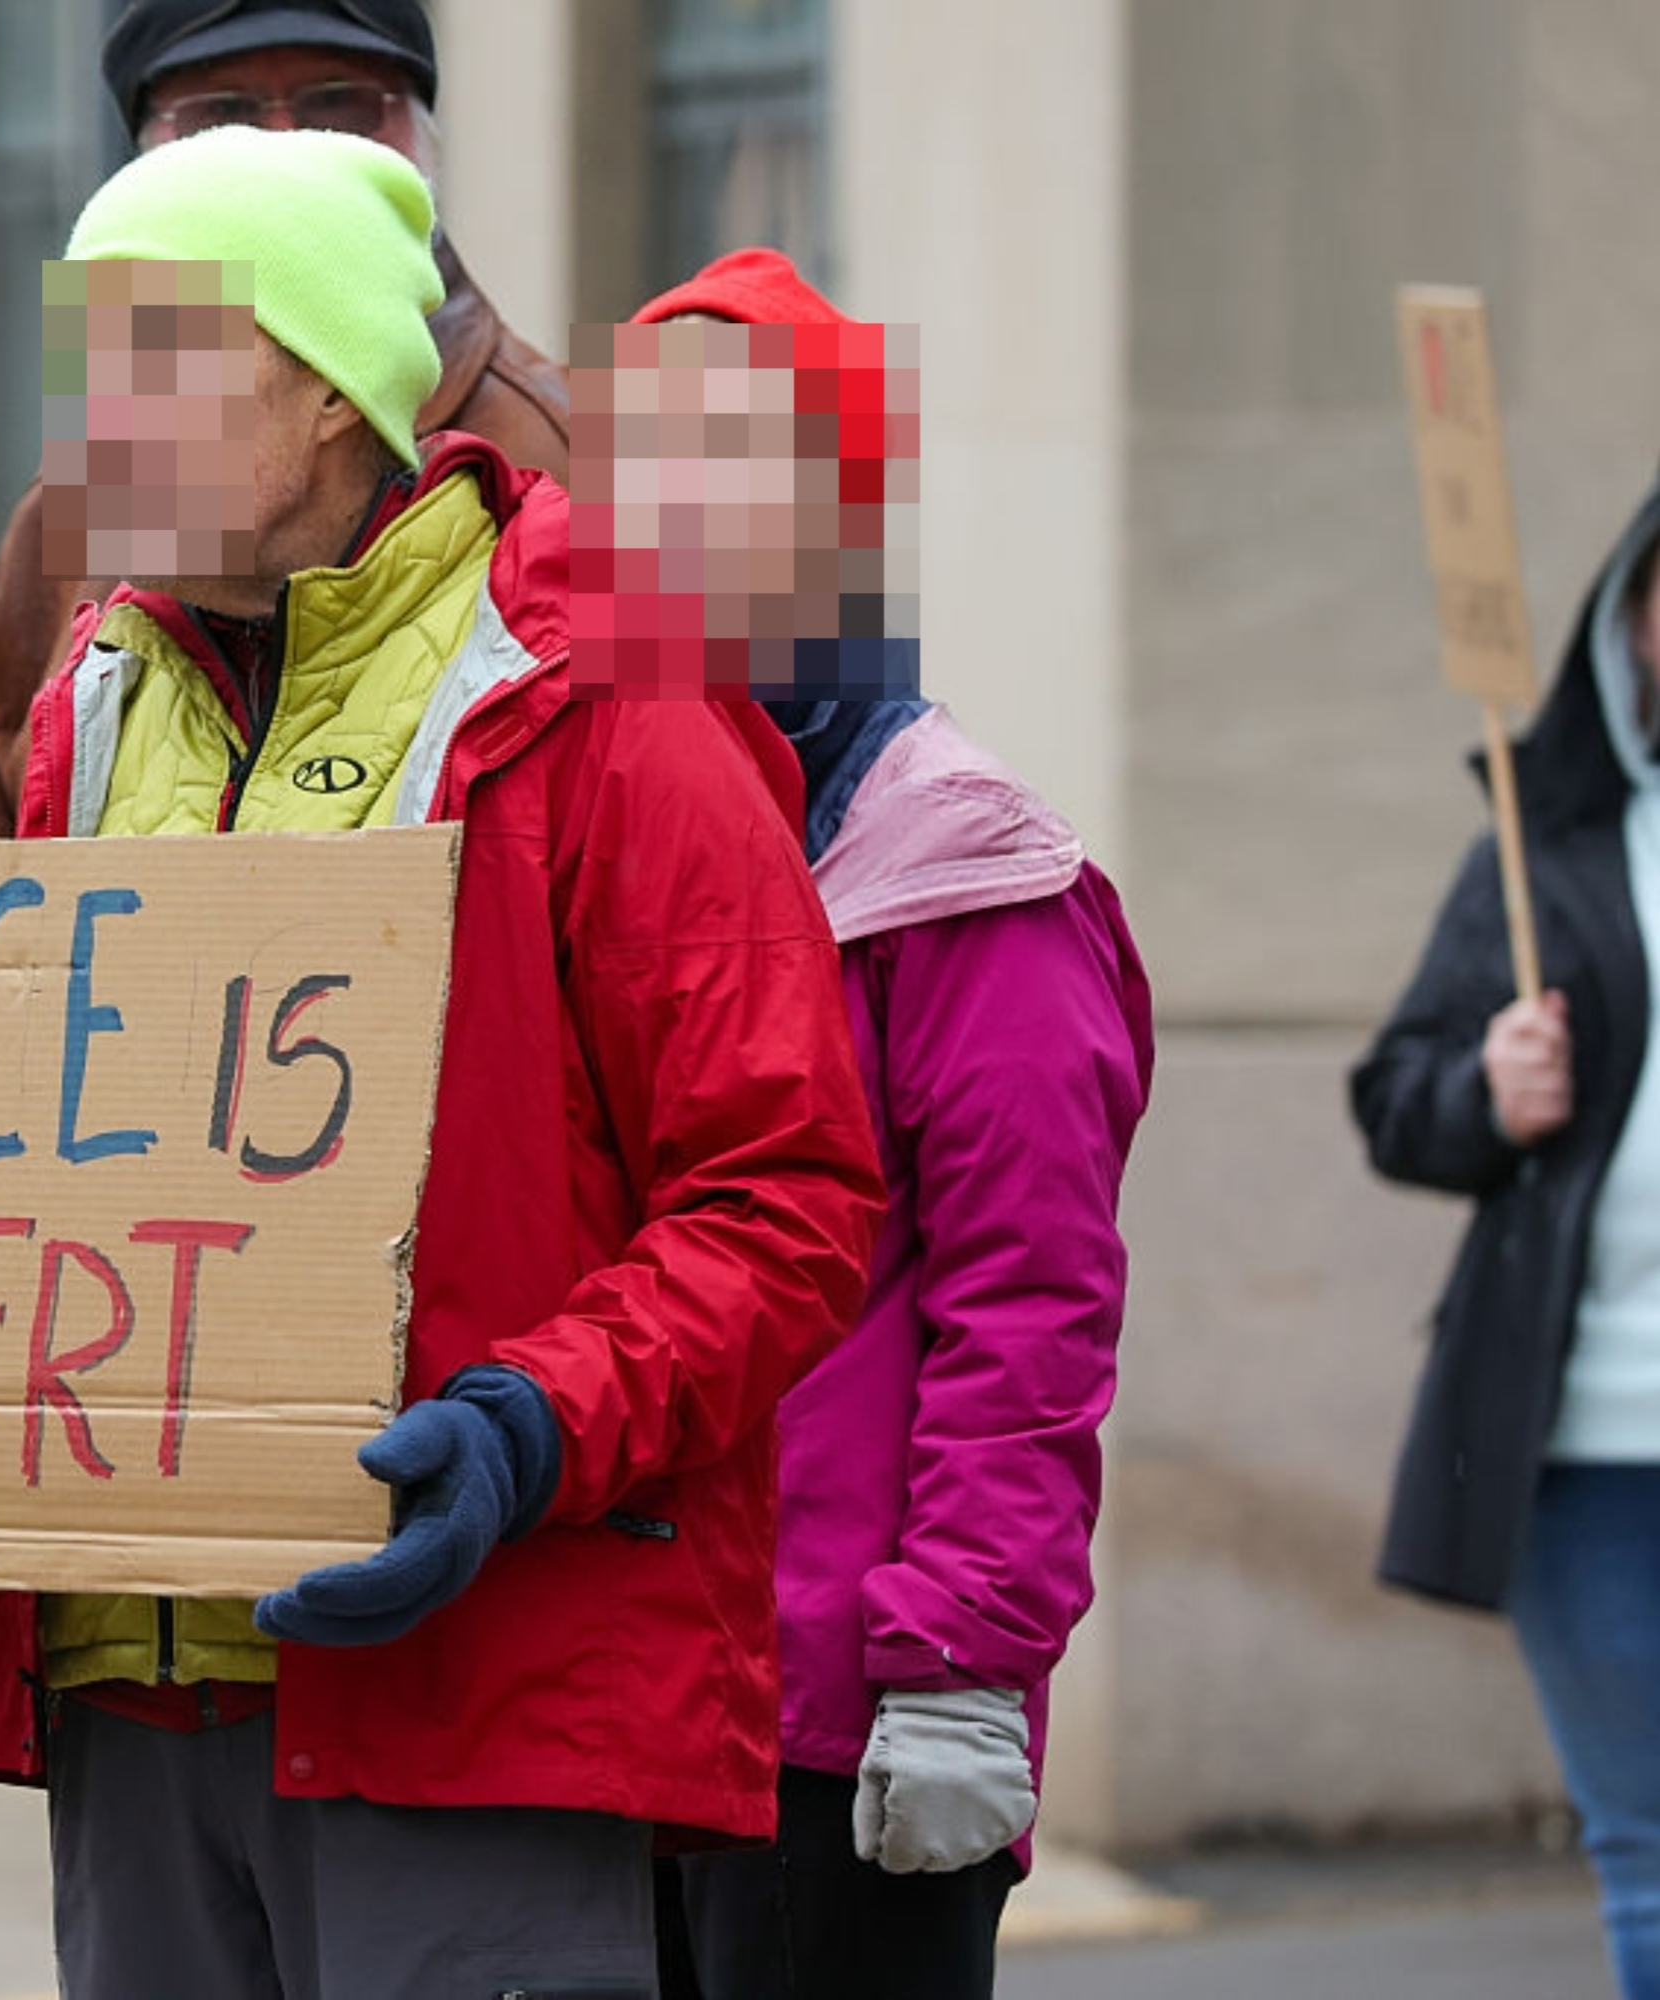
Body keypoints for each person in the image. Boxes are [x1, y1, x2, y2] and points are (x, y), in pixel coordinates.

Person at [0, 129, 885, 1997]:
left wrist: (530, 1425)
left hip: (466, 1695)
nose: (88, 422)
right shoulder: (89, 700)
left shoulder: (601, 695)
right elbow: (3, 1194)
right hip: (129, 1715)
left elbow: (786, 1197)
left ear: (322, 389)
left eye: (148, 352)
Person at [622, 251, 1157, 2000]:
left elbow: (1027, 1308)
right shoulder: (608, 827)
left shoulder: (977, 884)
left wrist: (957, 1668)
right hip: (619, 1696)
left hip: (841, 1724)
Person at [0, 0, 572, 840]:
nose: (283, 143)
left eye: (338, 105)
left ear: (422, 139)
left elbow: (761, 885)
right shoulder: (62, 512)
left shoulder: (613, 453)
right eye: (220, 115)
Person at [1353, 470, 1660, 2000]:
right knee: (1652, 1864)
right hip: (1592, 1438)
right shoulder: (1549, 852)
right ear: (1630, 623)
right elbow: (1395, 1099)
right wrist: (1489, 1086)